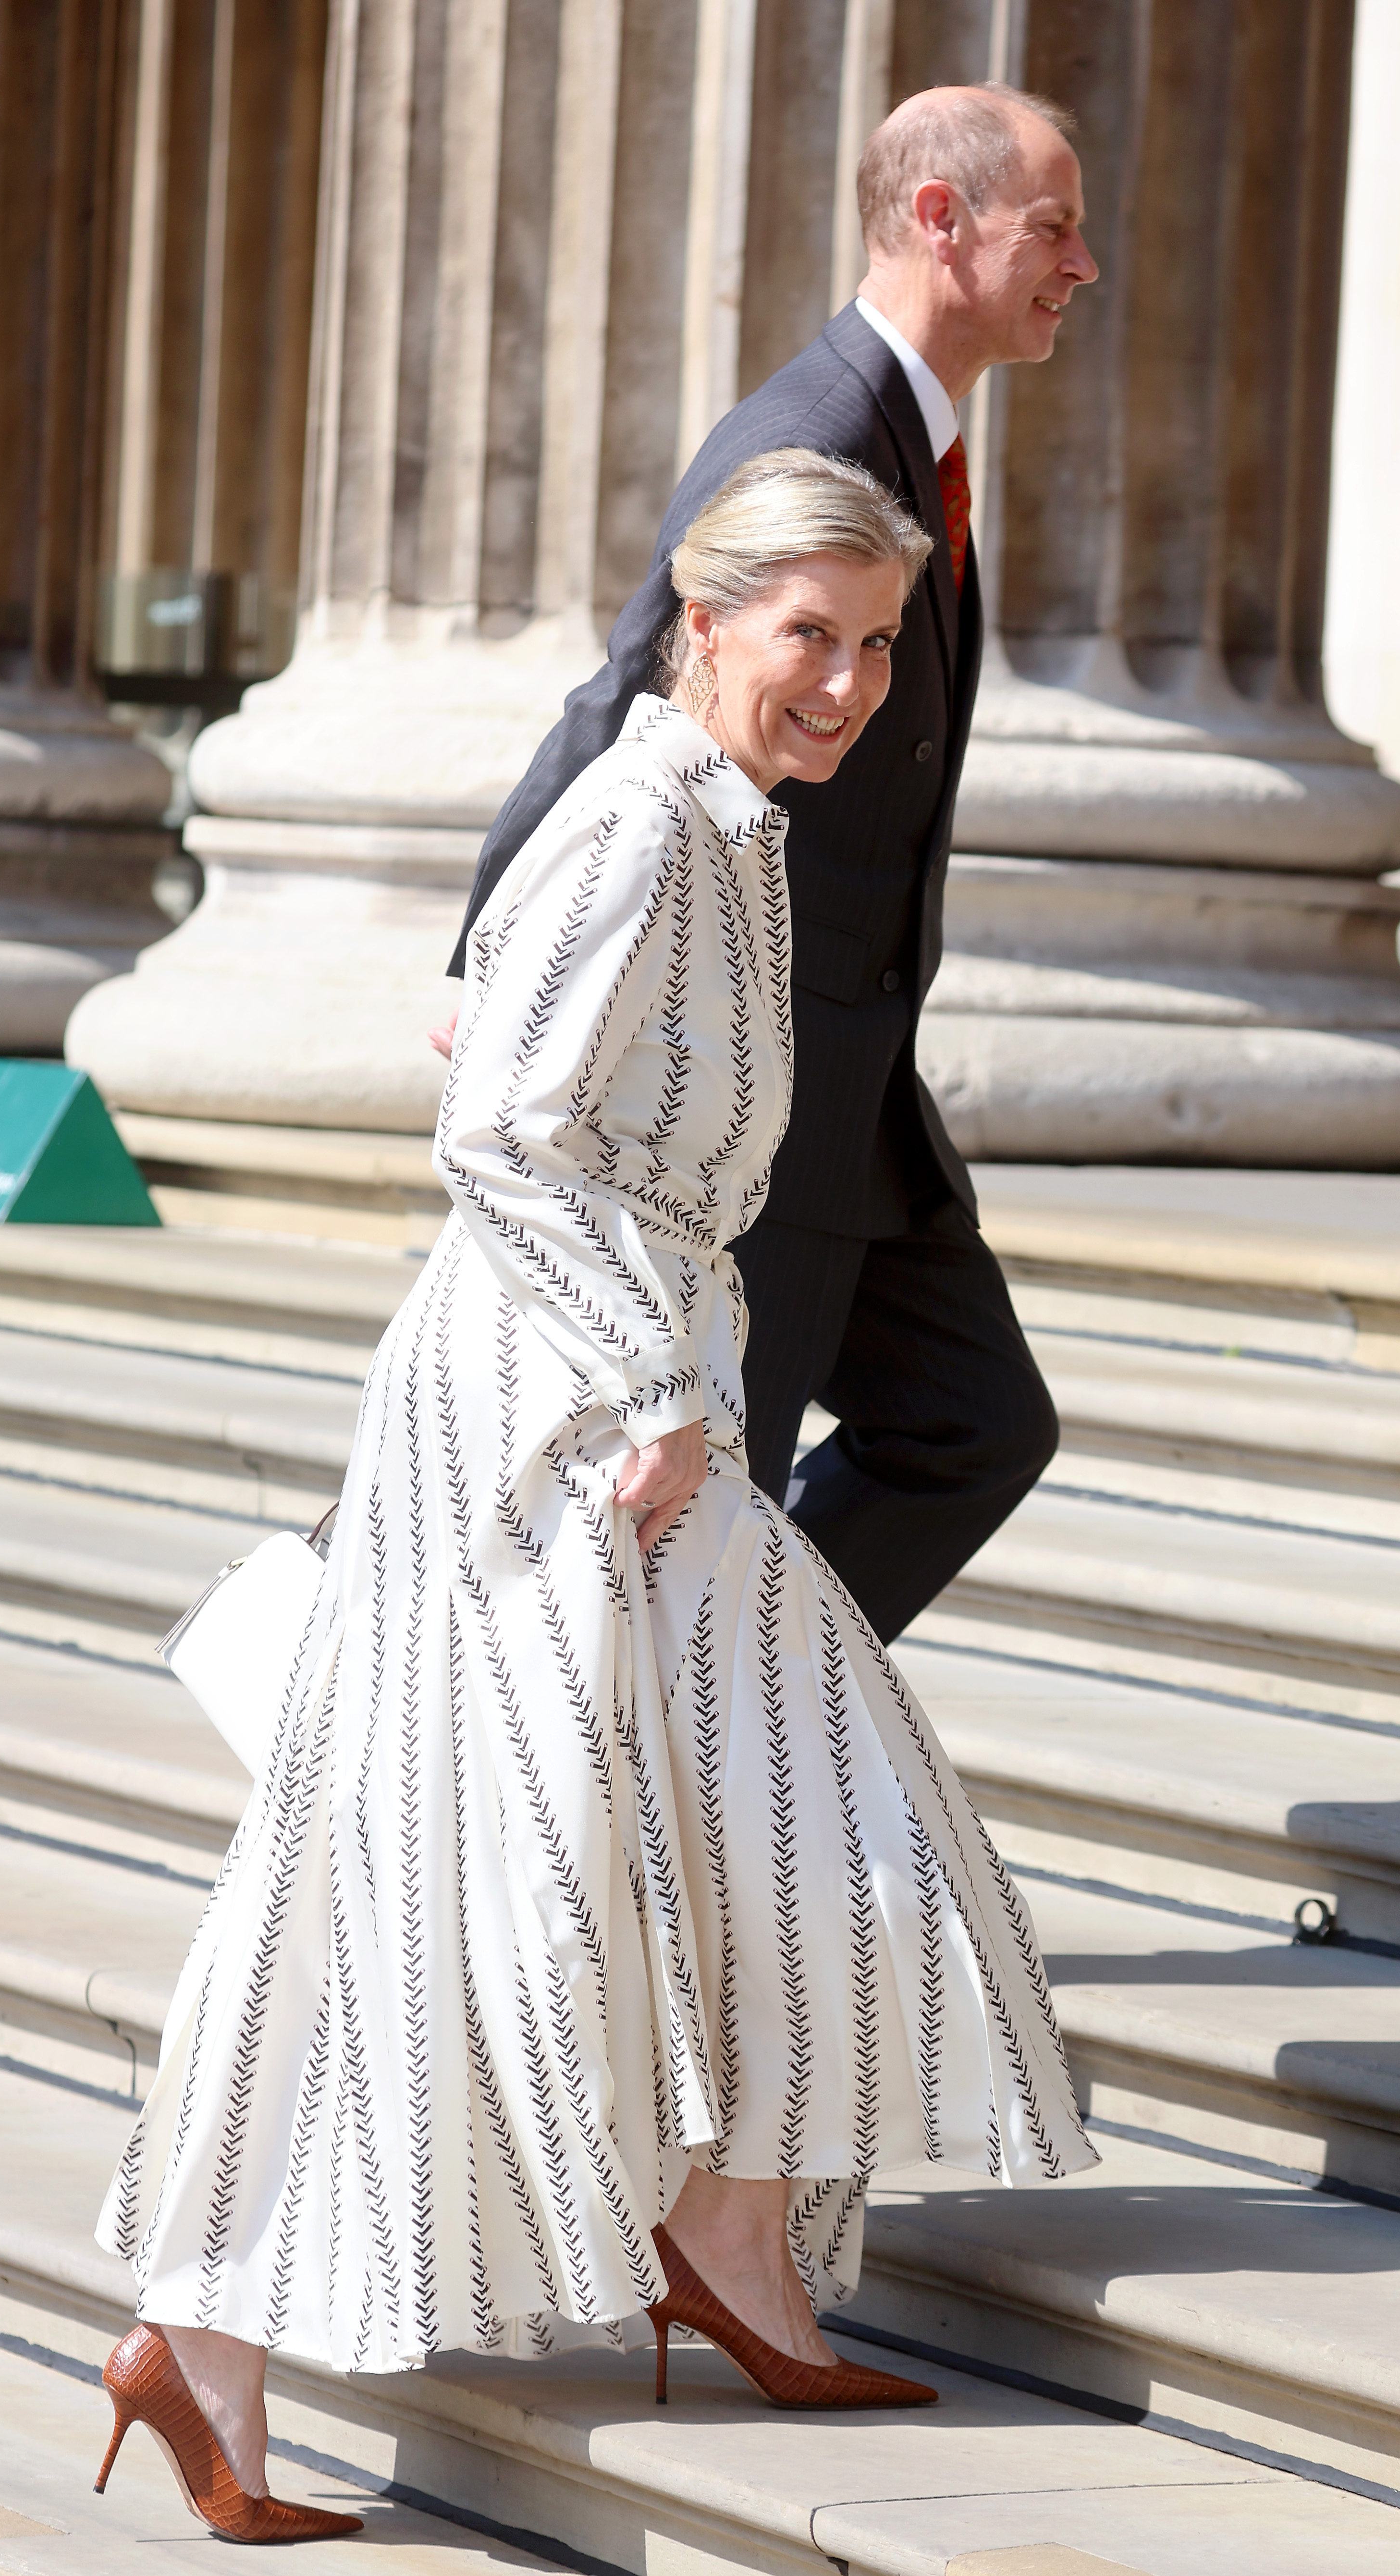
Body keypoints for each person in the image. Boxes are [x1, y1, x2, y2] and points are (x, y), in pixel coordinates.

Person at [91, 450, 1096, 2543]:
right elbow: (505, 1137)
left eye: (877, 643)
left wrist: (681, 1377)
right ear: (701, 618)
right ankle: (229, 2329)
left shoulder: (737, 829)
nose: (842, 682)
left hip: (647, 1392)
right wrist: (647, 1389)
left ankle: (681, 2246)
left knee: (675, 1825)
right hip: (561, 1417)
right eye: (806, 633)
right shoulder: (639, 826)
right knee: (460, 1859)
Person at [441, 83, 1099, 1649]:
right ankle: (705, 1762)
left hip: (855, 1096)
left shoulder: (908, 435)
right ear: (943, 221)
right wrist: (487, 950)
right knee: (696, 1521)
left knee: (974, 1423)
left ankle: (750, 1704)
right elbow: (631, 684)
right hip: (758, 1095)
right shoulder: (817, 432)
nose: (1085, 265)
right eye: (1058, 227)